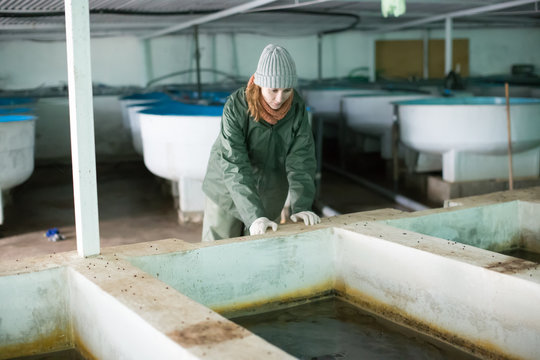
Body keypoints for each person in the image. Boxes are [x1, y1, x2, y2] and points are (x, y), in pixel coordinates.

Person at [201, 44, 320, 241]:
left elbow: (302, 159)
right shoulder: (236, 107)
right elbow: (234, 164)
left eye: (287, 90)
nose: (280, 98)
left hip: (270, 192)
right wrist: (254, 216)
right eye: (273, 90)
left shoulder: (297, 108)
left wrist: (302, 206)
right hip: (226, 191)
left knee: (262, 255)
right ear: (259, 83)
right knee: (218, 251)